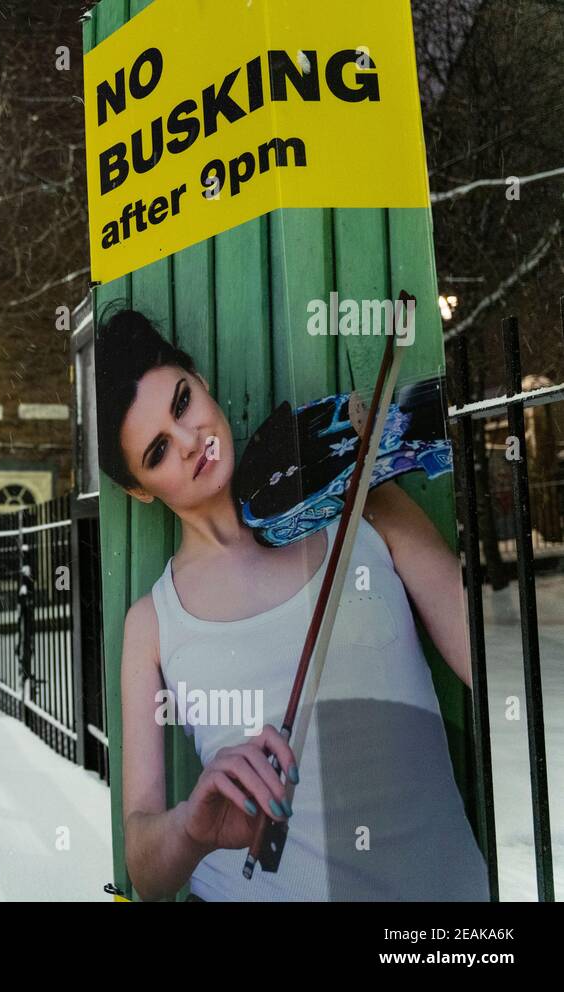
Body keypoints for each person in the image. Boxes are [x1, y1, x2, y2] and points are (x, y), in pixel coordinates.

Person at [95, 307, 488, 901]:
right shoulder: (153, 623)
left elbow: (494, 664)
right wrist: (191, 828)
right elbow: (146, 868)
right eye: (155, 452)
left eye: (182, 403)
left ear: (202, 383)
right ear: (137, 489)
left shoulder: (361, 503)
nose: (188, 442)